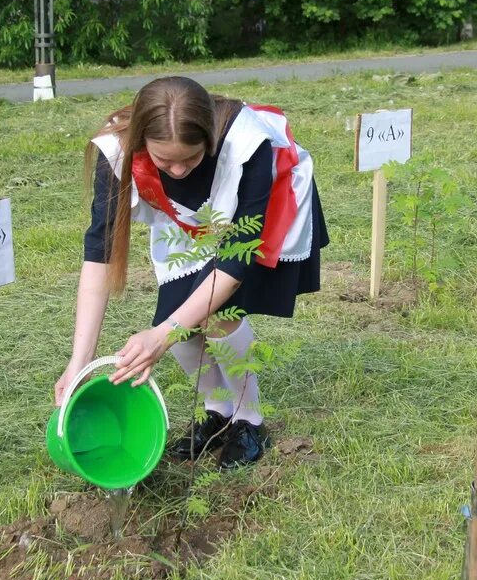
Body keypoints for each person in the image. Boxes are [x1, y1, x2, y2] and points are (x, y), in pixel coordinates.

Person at [54, 76, 328, 470]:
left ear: (211, 142)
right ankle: (217, 412)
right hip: (193, 219)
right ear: (142, 142)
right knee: (179, 316)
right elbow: (99, 255)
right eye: (165, 161)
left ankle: (249, 419)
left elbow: (234, 263)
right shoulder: (115, 153)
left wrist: (162, 337)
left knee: (218, 315)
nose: (178, 170)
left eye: (191, 158)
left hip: (269, 209)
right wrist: (79, 361)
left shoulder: (249, 146)